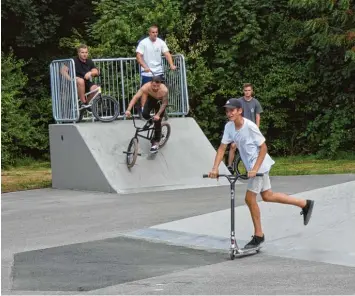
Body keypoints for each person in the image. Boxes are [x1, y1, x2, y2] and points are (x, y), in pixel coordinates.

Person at [208, 98, 314, 249]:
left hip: (260, 166)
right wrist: (215, 168)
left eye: (232, 110)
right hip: (254, 168)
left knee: (250, 199)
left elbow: (263, 148)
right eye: (227, 110)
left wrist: (255, 169)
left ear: (239, 111)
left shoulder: (250, 126)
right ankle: (304, 204)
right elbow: (222, 148)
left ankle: (259, 235)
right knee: (267, 196)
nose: (229, 113)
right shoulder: (229, 127)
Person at [136, 25, 176, 110]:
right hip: (147, 72)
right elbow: (138, 56)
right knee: (145, 91)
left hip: (158, 71)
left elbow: (167, 54)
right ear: (149, 33)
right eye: (153, 32)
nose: (155, 34)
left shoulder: (161, 42)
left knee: (161, 90)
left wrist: (171, 64)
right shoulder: (143, 43)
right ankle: (143, 109)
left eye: (156, 32)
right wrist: (144, 66)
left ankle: (160, 109)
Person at [125, 76, 168, 153]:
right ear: (151, 83)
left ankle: (155, 142)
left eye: (157, 86)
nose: (155, 88)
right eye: (153, 86)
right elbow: (135, 97)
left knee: (158, 122)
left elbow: (164, 103)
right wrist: (128, 110)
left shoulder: (164, 90)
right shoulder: (146, 86)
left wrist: (157, 115)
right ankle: (150, 121)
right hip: (151, 99)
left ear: (160, 84)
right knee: (144, 113)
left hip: (160, 103)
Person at [227, 83, 263, 173]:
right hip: (239, 128)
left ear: (252, 91)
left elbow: (258, 116)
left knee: (252, 148)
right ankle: (229, 167)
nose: (247, 92)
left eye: (249, 90)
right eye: (246, 90)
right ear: (243, 91)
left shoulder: (255, 102)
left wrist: (257, 129)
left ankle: (252, 167)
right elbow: (233, 113)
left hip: (250, 129)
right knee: (233, 145)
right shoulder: (239, 102)